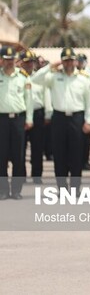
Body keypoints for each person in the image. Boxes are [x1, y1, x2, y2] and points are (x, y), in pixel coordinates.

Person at [31, 47, 90, 191]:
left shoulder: (83, 79)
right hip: (59, 118)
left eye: (71, 60)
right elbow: (35, 79)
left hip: (77, 118)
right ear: (62, 62)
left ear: (75, 61)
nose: (69, 63)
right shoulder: (54, 77)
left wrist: (89, 120)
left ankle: (75, 187)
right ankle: (61, 187)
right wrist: (50, 66)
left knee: (76, 154)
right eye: (65, 61)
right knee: (59, 154)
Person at [0, 46, 33, 200]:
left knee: (18, 156)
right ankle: (3, 190)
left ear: (15, 60)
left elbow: (29, 100)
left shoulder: (23, 77)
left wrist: (29, 119)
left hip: (18, 119)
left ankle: (16, 190)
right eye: (6, 59)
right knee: (2, 156)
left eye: (11, 59)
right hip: (1, 120)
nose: (9, 62)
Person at [19, 50, 47, 184]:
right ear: (21, 63)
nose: (29, 65)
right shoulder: (18, 77)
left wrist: (48, 114)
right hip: (21, 114)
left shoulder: (40, 78)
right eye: (26, 63)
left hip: (37, 114)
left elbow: (46, 96)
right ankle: (21, 175)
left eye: (31, 62)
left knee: (37, 147)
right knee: (20, 147)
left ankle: (37, 175)